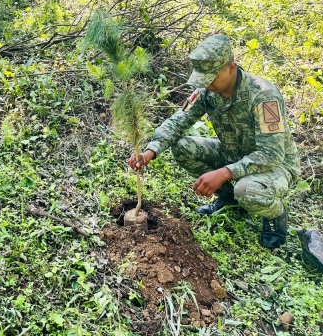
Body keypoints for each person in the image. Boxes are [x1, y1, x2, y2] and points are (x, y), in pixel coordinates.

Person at [128, 34, 300, 249]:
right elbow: (178, 122)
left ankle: (276, 215)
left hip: (276, 166)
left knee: (248, 191)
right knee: (183, 147)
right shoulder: (207, 92)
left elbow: (271, 154)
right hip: (234, 155)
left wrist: (225, 172)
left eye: (211, 76)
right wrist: (150, 152)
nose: (206, 83)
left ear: (231, 67)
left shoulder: (263, 96)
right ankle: (230, 199)